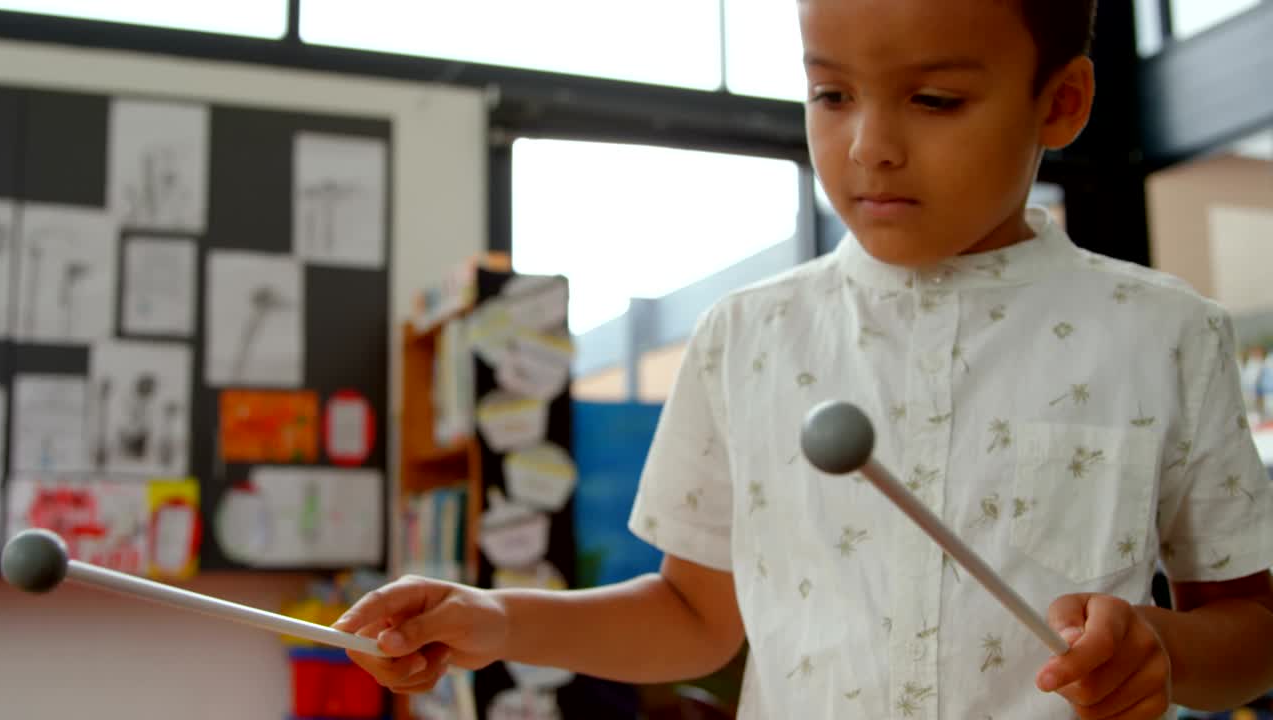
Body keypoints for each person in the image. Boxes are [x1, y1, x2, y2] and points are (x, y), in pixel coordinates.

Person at [334, 1, 1273, 717]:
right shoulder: (747, 338)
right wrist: (494, 619)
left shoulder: (1163, 331)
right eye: (831, 94)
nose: (869, 146)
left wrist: (1161, 647)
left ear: (1060, 104)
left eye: (934, 99)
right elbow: (692, 616)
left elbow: (1253, 629)